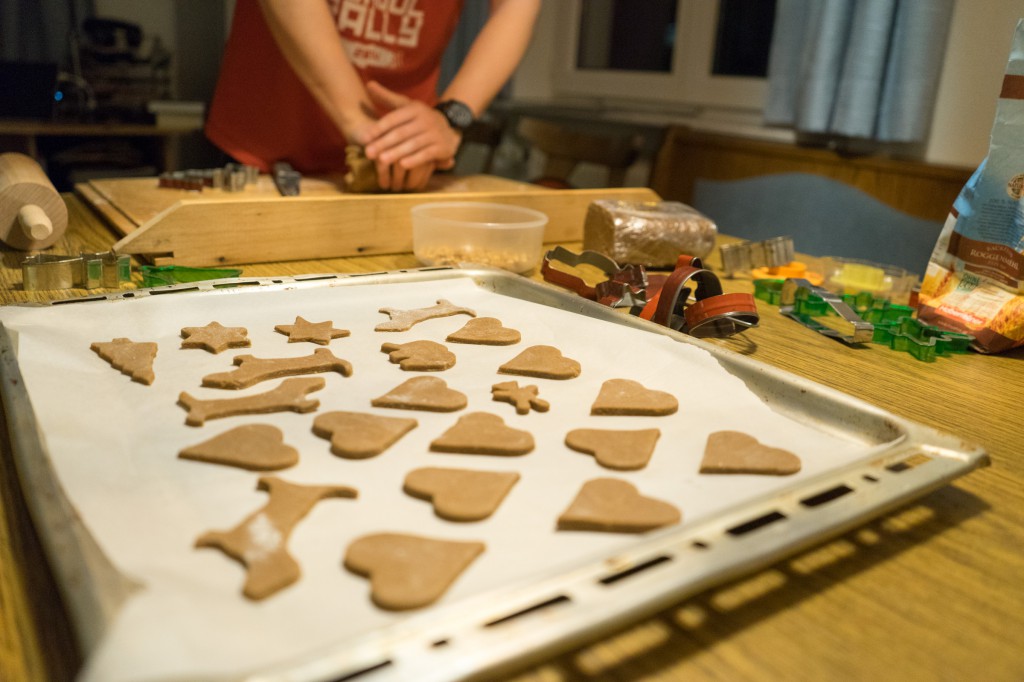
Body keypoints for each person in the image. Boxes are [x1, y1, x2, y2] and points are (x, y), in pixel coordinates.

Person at [205, 0, 540, 191]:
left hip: (406, 160)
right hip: (262, 148)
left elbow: (516, 7)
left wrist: (451, 116)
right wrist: (355, 117)